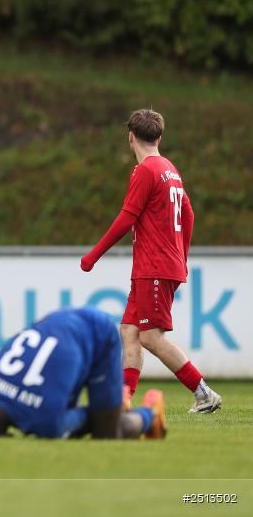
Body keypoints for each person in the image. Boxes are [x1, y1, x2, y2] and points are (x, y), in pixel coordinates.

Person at [81, 109, 221, 414]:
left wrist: (94, 255)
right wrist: (181, 257)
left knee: (150, 337)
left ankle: (204, 392)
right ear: (159, 136)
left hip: (154, 267)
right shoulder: (170, 168)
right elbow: (189, 214)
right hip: (157, 265)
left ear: (130, 137)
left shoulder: (145, 171)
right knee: (129, 331)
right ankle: (123, 401)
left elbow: (126, 218)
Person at [0, 307, 167, 439]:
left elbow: (88, 419)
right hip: (56, 321)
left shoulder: (45, 422)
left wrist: (105, 415)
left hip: (99, 334)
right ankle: (114, 402)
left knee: (108, 434)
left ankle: (150, 415)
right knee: (104, 418)